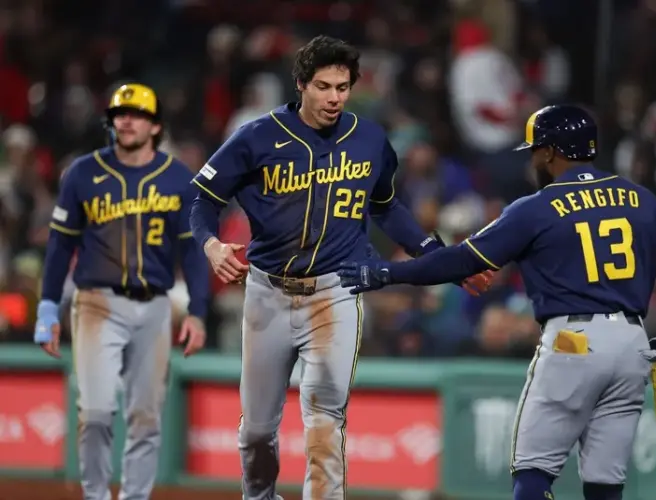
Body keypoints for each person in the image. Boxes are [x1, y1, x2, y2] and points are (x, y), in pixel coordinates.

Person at [337, 105, 656, 500]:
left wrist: (388, 274)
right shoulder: (645, 202)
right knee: (605, 487)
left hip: (572, 342)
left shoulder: (537, 207)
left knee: (532, 474)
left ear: (549, 152)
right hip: (633, 344)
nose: (532, 158)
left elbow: (461, 259)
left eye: (534, 150)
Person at [188, 35, 492, 500]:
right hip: (267, 293)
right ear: (301, 84)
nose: (335, 97)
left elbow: (389, 210)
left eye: (343, 87)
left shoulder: (369, 138)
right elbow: (202, 202)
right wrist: (210, 245)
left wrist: (446, 261)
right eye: (325, 86)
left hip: (335, 291)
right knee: (256, 434)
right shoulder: (257, 136)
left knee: (324, 422)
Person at [33, 83, 209, 500]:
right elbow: (60, 245)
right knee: (94, 413)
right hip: (97, 303)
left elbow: (194, 252)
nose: (126, 120)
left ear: (155, 126)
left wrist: (199, 311)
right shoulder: (82, 173)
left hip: (154, 308)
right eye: (120, 113)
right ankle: (95, 495)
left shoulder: (178, 177)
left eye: (137, 114)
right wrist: (46, 307)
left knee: (146, 418)